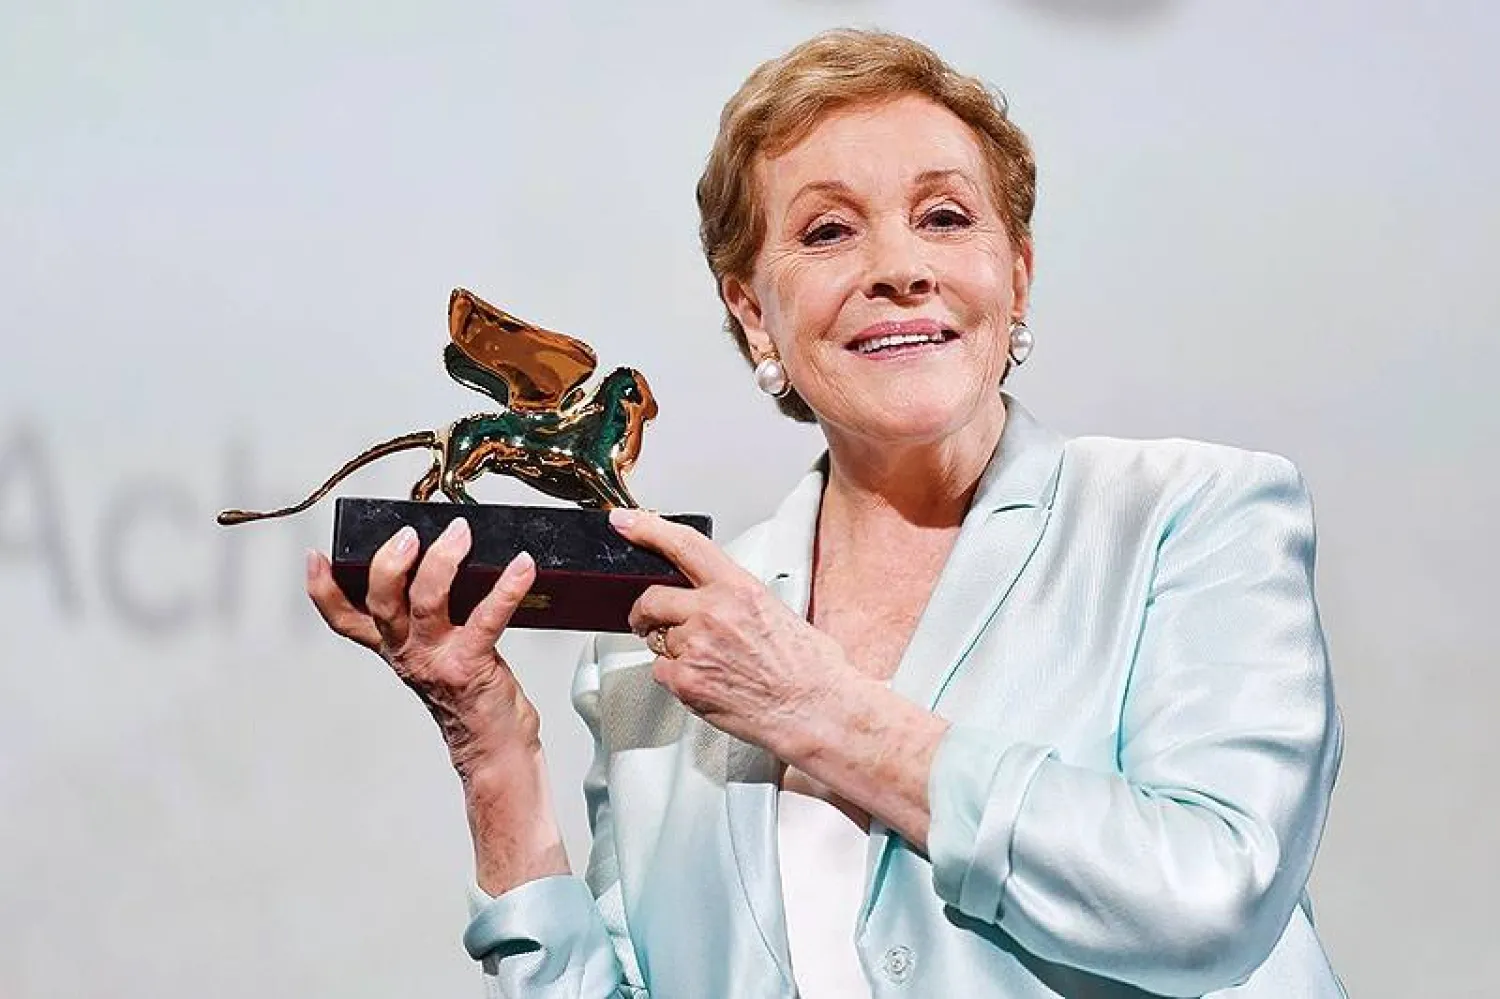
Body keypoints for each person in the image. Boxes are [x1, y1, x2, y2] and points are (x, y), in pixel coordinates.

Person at [306, 29, 1345, 998]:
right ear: (752, 309)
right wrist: (494, 758)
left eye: (945, 216)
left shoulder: (1193, 517)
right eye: (828, 230)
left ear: (1015, 276)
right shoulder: (660, 638)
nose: (899, 268)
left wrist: (818, 708)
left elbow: (1217, 892)